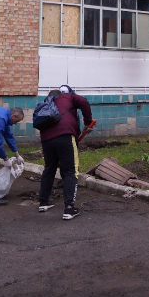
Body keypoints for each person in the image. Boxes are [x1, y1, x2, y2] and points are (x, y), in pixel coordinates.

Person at [37, 85, 93, 220]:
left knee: (49, 169)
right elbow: (84, 102)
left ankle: (43, 202)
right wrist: (88, 122)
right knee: (70, 171)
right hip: (65, 137)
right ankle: (69, 208)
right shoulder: (69, 97)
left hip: (46, 140)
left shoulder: (46, 103)